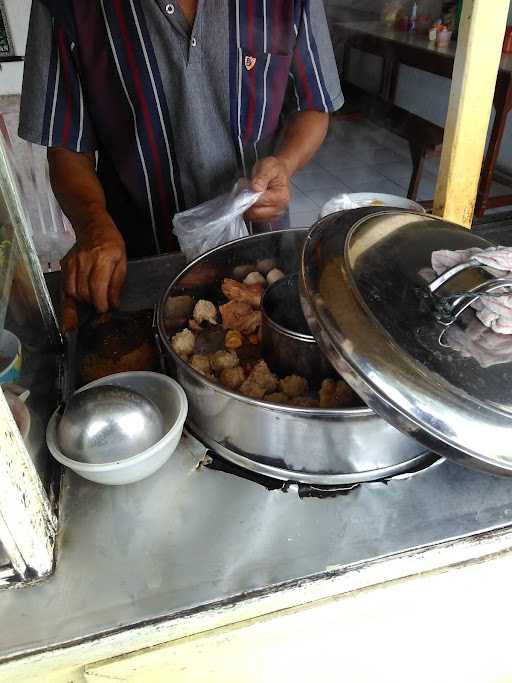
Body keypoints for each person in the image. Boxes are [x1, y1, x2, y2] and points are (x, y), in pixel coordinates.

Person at [19, 0, 343, 313]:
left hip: (259, 253)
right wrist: (92, 224)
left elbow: (314, 105)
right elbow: (66, 146)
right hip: (139, 258)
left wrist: (284, 164)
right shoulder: (67, 6)